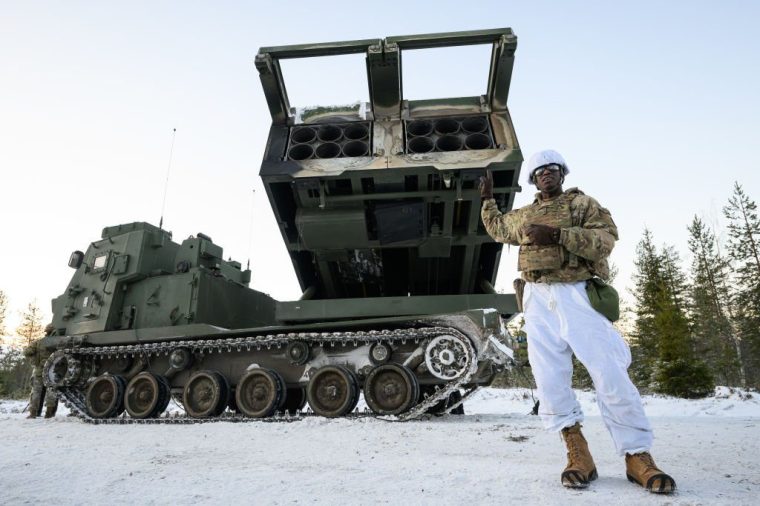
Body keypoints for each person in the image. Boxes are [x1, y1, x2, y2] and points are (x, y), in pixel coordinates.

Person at [479, 149, 676, 494]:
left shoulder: (581, 205)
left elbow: (605, 241)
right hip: (537, 299)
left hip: (576, 294)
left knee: (609, 371)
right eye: (540, 171)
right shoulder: (526, 215)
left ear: (562, 173)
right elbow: (497, 229)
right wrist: (487, 200)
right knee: (549, 379)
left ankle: (637, 456)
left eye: (552, 169)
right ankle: (578, 453)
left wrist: (558, 236)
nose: (546, 174)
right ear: (533, 179)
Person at [24, 331, 58, 419]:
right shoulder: (58, 341)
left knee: (36, 392)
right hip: (52, 371)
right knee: (51, 392)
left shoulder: (38, 342)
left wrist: (34, 355)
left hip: (39, 370)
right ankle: (49, 413)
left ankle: (33, 413)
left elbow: (27, 352)